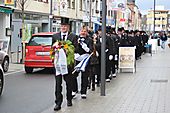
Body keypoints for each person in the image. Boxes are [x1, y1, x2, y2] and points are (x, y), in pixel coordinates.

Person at [52, 17, 78, 111]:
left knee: (69, 83)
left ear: (68, 27)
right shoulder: (55, 36)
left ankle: (69, 99)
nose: (63, 27)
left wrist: (67, 50)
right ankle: (58, 103)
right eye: (62, 26)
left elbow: (76, 48)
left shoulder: (73, 36)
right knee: (58, 84)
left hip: (68, 64)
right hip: (58, 64)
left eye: (65, 26)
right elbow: (52, 49)